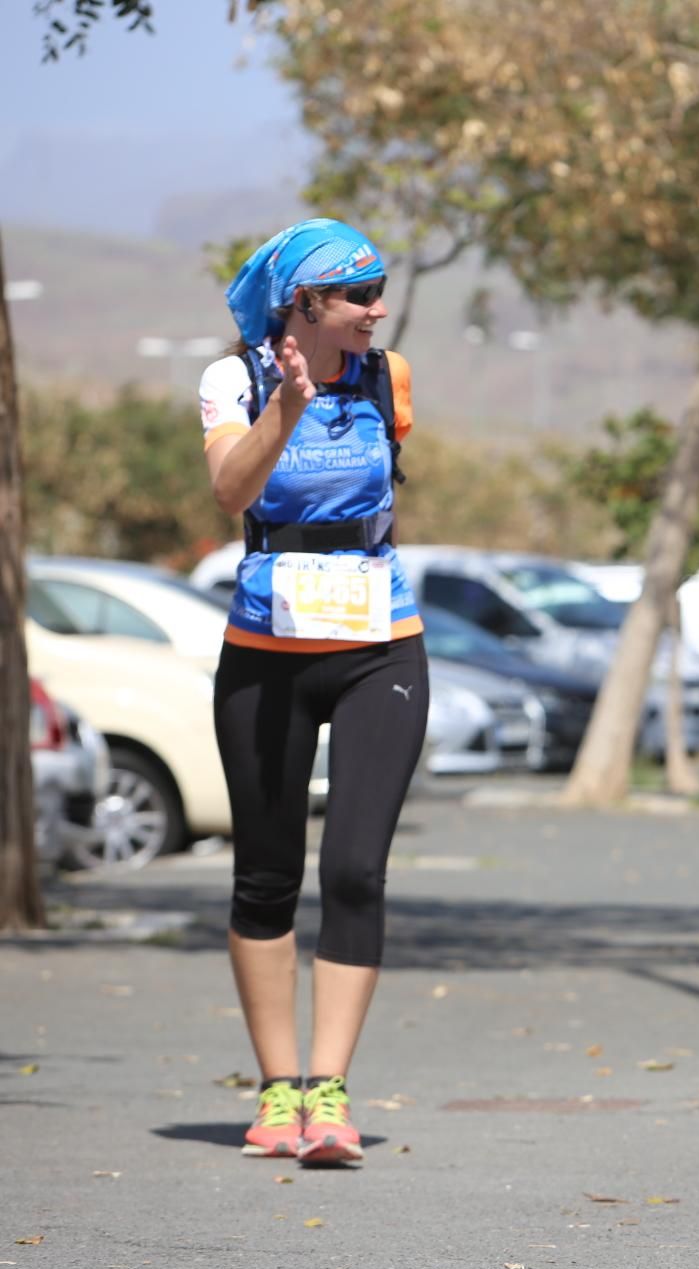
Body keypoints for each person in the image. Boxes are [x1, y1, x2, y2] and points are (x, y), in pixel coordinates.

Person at [199, 218, 428, 1164]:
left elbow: (387, 487)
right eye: (359, 295)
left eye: (380, 291)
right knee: (266, 877)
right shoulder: (233, 380)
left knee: (356, 872)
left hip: (380, 642)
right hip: (267, 644)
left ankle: (331, 1095)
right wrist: (287, 410)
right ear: (304, 305)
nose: (377, 309)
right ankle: (279, 1091)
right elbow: (229, 492)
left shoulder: (389, 374)